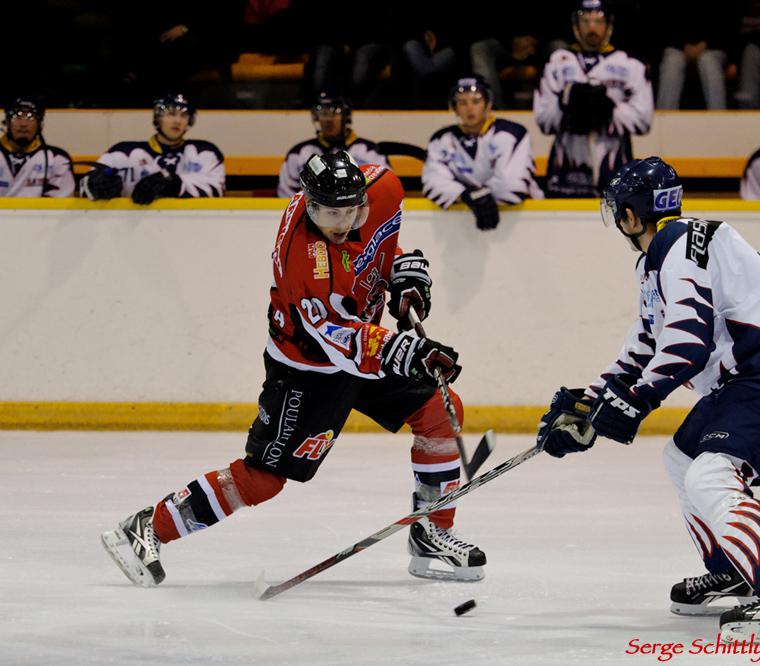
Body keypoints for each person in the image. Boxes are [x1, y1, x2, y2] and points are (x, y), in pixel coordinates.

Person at [101, 152, 486, 587]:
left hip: (360, 346)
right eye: (329, 214)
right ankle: (148, 527)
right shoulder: (305, 260)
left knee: (439, 411)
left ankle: (432, 530)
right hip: (309, 367)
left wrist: (400, 273)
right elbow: (339, 337)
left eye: (351, 211)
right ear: (309, 203)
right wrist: (406, 351)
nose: (341, 223)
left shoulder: (381, 188)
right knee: (263, 480)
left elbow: (373, 245)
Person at [536, 157, 760, 643]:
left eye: (617, 210)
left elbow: (687, 344)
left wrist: (635, 401)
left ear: (630, 215)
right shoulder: (665, 253)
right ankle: (735, 568)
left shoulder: (676, 249)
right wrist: (589, 402)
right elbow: (647, 343)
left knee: (710, 473)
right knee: (682, 458)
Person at [533, 0, 653, 197]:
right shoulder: (556, 63)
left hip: (615, 165)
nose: (592, 27)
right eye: (585, 21)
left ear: (609, 25)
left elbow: (643, 120)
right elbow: (543, 119)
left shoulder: (630, 65)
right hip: (566, 170)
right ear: (576, 26)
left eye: (598, 21)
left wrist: (609, 109)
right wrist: (565, 104)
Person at [422, 75, 543, 230]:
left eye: (476, 101)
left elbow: (510, 185)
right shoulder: (442, 140)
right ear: (454, 107)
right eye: (462, 102)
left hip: (526, 220)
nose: (469, 108)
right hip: (466, 224)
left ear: (487, 104)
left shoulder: (512, 134)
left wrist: (475, 196)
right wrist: (465, 195)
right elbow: (433, 181)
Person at [79, 93, 225, 204]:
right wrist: (94, 184)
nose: (177, 121)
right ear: (157, 118)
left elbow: (217, 189)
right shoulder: (124, 153)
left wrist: (174, 184)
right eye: (171, 114)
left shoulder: (204, 153)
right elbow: (85, 186)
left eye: (183, 115)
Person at [277, 92, 388, 198]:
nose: (329, 119)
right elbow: (286, 194)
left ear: (346, 116)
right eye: (323, 113)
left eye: (335, 112)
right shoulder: (298, 154)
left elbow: (385, 187)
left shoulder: (370, 151)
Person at [0, 97, 75, 197]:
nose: (23, 124)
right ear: (7, 122)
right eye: (17, 117)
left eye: (30, 117)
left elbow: (62, 202)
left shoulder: (57, 159)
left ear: (40, 124)